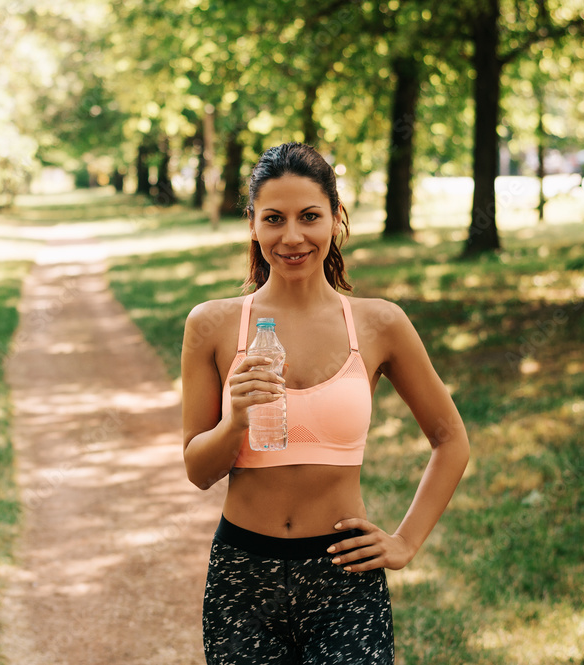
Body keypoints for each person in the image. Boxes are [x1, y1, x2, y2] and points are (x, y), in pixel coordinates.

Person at [180, 142, 470, 664]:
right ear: (252, 224)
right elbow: (198, 471)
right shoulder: (212, 325)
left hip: (345, 577)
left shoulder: (380, 323)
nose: (292, 237)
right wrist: (233, 422)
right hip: (242, 576)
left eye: (310, 216)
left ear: (337, 218)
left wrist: (404, 543)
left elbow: (450, 441)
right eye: (274, 219)